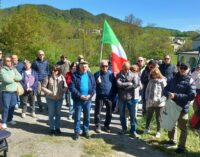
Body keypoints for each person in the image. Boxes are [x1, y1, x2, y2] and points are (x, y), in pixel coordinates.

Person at [163, 63, 196, 154]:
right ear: (179, 68)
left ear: (188, 69)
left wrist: (176, 95)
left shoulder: (191, 81)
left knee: (183, 128)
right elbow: (165, 89)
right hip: (171, 106)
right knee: (171, 124)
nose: (182, 69)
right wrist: (167, 93)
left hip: (182, 108)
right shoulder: (173, 78)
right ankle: (172, 140)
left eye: (185, 68)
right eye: (181, 67)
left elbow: (191, 96)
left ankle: (181, 147)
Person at [70, 61, 96, 140]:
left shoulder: (90, 75)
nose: (84, 68)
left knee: (87, 117)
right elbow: (72, 88)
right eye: (82, 67)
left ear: (87, 67)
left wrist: (90, 95)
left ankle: (85, 131)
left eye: (85, 67)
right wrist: (80, 95)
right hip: (78, 99)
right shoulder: (75, 75)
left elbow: (94, 87)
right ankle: (77, 132)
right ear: (80, 67)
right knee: (77, 117)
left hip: (88, 100)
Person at [117, 61, 140, 138]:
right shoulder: (119, 74)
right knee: (122, 115)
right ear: (122, 67)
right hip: (121, 98)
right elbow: (118, 84)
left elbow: (136, 84)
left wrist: (125, 87)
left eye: (127, 68)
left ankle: (133, 131)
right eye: (125, 68)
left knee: (132, 115)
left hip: (131, 98)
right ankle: (124, 129)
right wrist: (128, 84)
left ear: (129, 67)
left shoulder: (134, 75)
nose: (126, 70)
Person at [42, 65, 67, 135]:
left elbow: (66, 87)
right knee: (51, 114)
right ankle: (51, 128)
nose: (53, 71)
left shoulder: (62, 77)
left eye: (55, 70)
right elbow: (43, 87)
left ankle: (57, 128)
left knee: (58, 114)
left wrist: (62, 91)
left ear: (58, 71)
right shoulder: (48, 77)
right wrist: (50, 92)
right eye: (52, 70)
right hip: (50, 99)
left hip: (59, 99)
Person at [143, 68, 167, 138]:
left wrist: (161, 100)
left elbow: (166, 93)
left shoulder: (163, 81)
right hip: (150, 102)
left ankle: (158, 131)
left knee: (159, 118)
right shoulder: (150, 81)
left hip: (160, 104)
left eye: (155, 74)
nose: (154, 76)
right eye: (153, 74)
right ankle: (147, 128)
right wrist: (147, 98)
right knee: (148, 116)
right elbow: (147, 90)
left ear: (158, 74)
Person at [94, 60, 116, 133]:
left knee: (109, 113)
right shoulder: (97, 74)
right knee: (97, 112)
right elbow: (92, 85)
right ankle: (97, 125)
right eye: (103, 66)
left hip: (109, 96)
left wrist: (114, 95)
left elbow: (115, 85)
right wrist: (96, 82)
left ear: (108, 66)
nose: (105, 67)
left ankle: (106, 125)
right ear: (100, 66)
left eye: (106, 66)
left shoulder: (111, 74)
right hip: (100, 95)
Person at [0, 56, 22, 129]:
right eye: (7, 60)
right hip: (6, 91)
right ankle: (4, 122)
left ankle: (9, 119)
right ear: (4, 62)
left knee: (12, 106)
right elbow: (6, 80)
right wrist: (14, 78)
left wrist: (13, 77)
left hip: (14, 91)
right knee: (5, 107)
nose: (9, 62)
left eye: (10, 60)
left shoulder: (14, 69)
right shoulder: (2, 70)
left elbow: (20, 77)